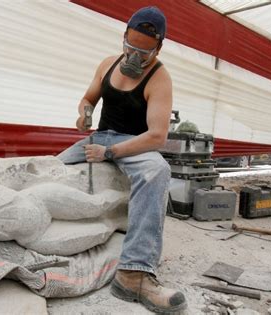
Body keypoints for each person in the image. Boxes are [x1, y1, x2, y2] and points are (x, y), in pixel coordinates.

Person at [57, 6, 187, 314]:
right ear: (123, 37)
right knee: (50, 168)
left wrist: (110, 153)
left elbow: (156, 136)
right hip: (99, 136)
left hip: (134, 142)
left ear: (158, 48)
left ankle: (134, 273)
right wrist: (85, 113)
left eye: (144, 52)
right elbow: (88, 98)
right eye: (130, 47)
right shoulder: (106, 64)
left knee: (157, 170)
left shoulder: (160, 78)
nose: (134, 57)